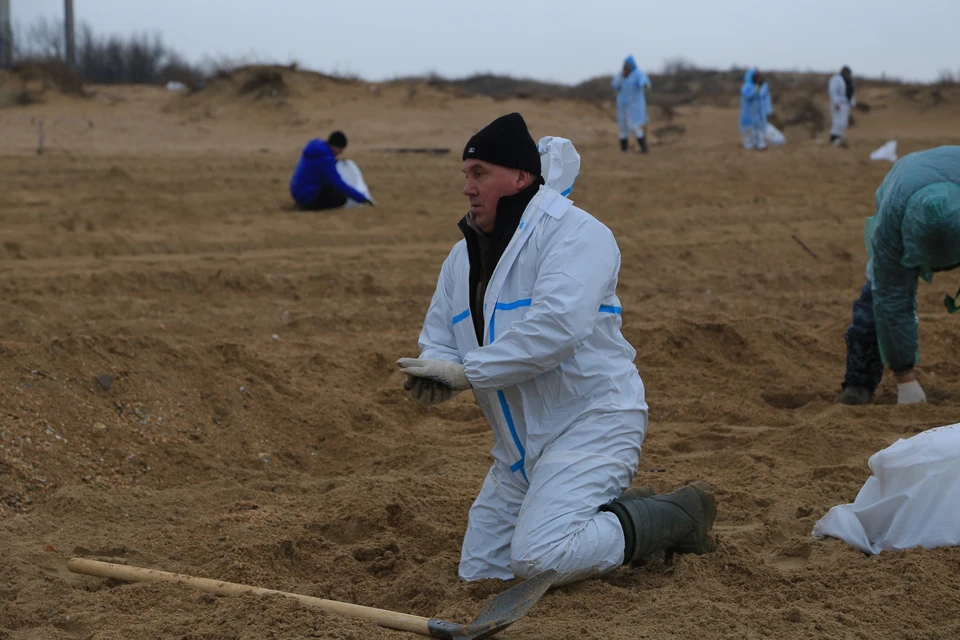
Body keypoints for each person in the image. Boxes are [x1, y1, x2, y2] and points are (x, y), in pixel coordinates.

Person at [396, 112, 716, 586]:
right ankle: (605, 513)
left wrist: (470, 373)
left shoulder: (575, 233)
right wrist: (437, 368)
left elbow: (558, 328)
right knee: (482, 576)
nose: (467, 187)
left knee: (540, 558)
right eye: (466, 175)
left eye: (480, 173)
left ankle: (673, 517)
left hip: (593, 424)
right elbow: (441, 336)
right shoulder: (460, 259)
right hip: (518, 449)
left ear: (521, 176)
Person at [838, 146, 960, 406]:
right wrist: (905, 378)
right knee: (876, 297)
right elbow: (891, 299)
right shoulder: (890, 228)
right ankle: (859, 383)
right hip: (903, 185)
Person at [289, 131, 374, 210]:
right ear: (334, 146)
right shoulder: (326, 159)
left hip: (297, 192)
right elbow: (338, 184)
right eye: (340, 149)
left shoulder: (318, 149)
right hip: (307, 196)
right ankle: (306, 205)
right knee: (341, 198)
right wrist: (361, 198)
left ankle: (302, 203)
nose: (341, 152)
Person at [612, 55, 652, 154]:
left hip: (634, 106)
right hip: (622, 106)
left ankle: (644, 147)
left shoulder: (637, 73)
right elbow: (615, 85)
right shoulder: (621, 74)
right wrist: (621, 77)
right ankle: (624, 149)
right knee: (623, 127)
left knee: (634, 126)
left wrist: (645, 84)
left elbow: (644, 82)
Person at [739, 69, 773, 151]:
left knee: (761, 131)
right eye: (758, 78)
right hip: (748, 116)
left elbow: (765, 99)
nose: (760, 79)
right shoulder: (746, 87)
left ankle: (761, 146)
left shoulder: (763, 87)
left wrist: (768, 110)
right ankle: (749, 147)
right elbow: (748, 97)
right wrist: (755, 90)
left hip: (759, 116)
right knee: (749, 134)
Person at [829, 66, 855, 146]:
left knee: (844, 123)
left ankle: (840, 138)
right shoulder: (836, 80)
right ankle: (834, 138)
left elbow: (850, 93)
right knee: (837, 122)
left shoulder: (848, 81)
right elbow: (833, 92)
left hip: (845, 104)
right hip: (838, 104)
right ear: (844, 72)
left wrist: (852, 103)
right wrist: (836, 103)